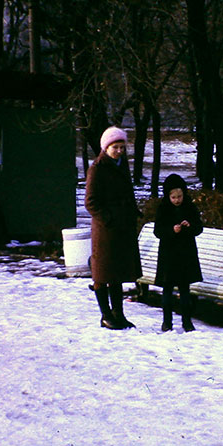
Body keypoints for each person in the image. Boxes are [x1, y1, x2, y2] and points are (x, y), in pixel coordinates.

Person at [84, 125, 142, 329]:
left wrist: (133, 212)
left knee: (117, 273)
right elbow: (90, 202)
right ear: (105, 147)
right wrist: (108, 219)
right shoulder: (97, 168)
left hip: (123, 228)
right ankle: (105, 315)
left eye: (122, 147)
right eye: (115, 147)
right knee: (102, 273)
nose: (119, 151)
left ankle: (119, 313)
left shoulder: (121, 164)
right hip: (105, 230)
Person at [153, 173, 203, 332]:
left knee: (185, 291)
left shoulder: (190, 207)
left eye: (179, 196)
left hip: (185, 255)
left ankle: (187, 322)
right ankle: (166, 322)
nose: (177, 200)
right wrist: (171, 230)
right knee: (167, 291)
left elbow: (199, 228)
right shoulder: (163, 209)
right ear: (168, 196)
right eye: (173, 197)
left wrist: (190, 225)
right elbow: (158, 231)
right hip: (168, 255)